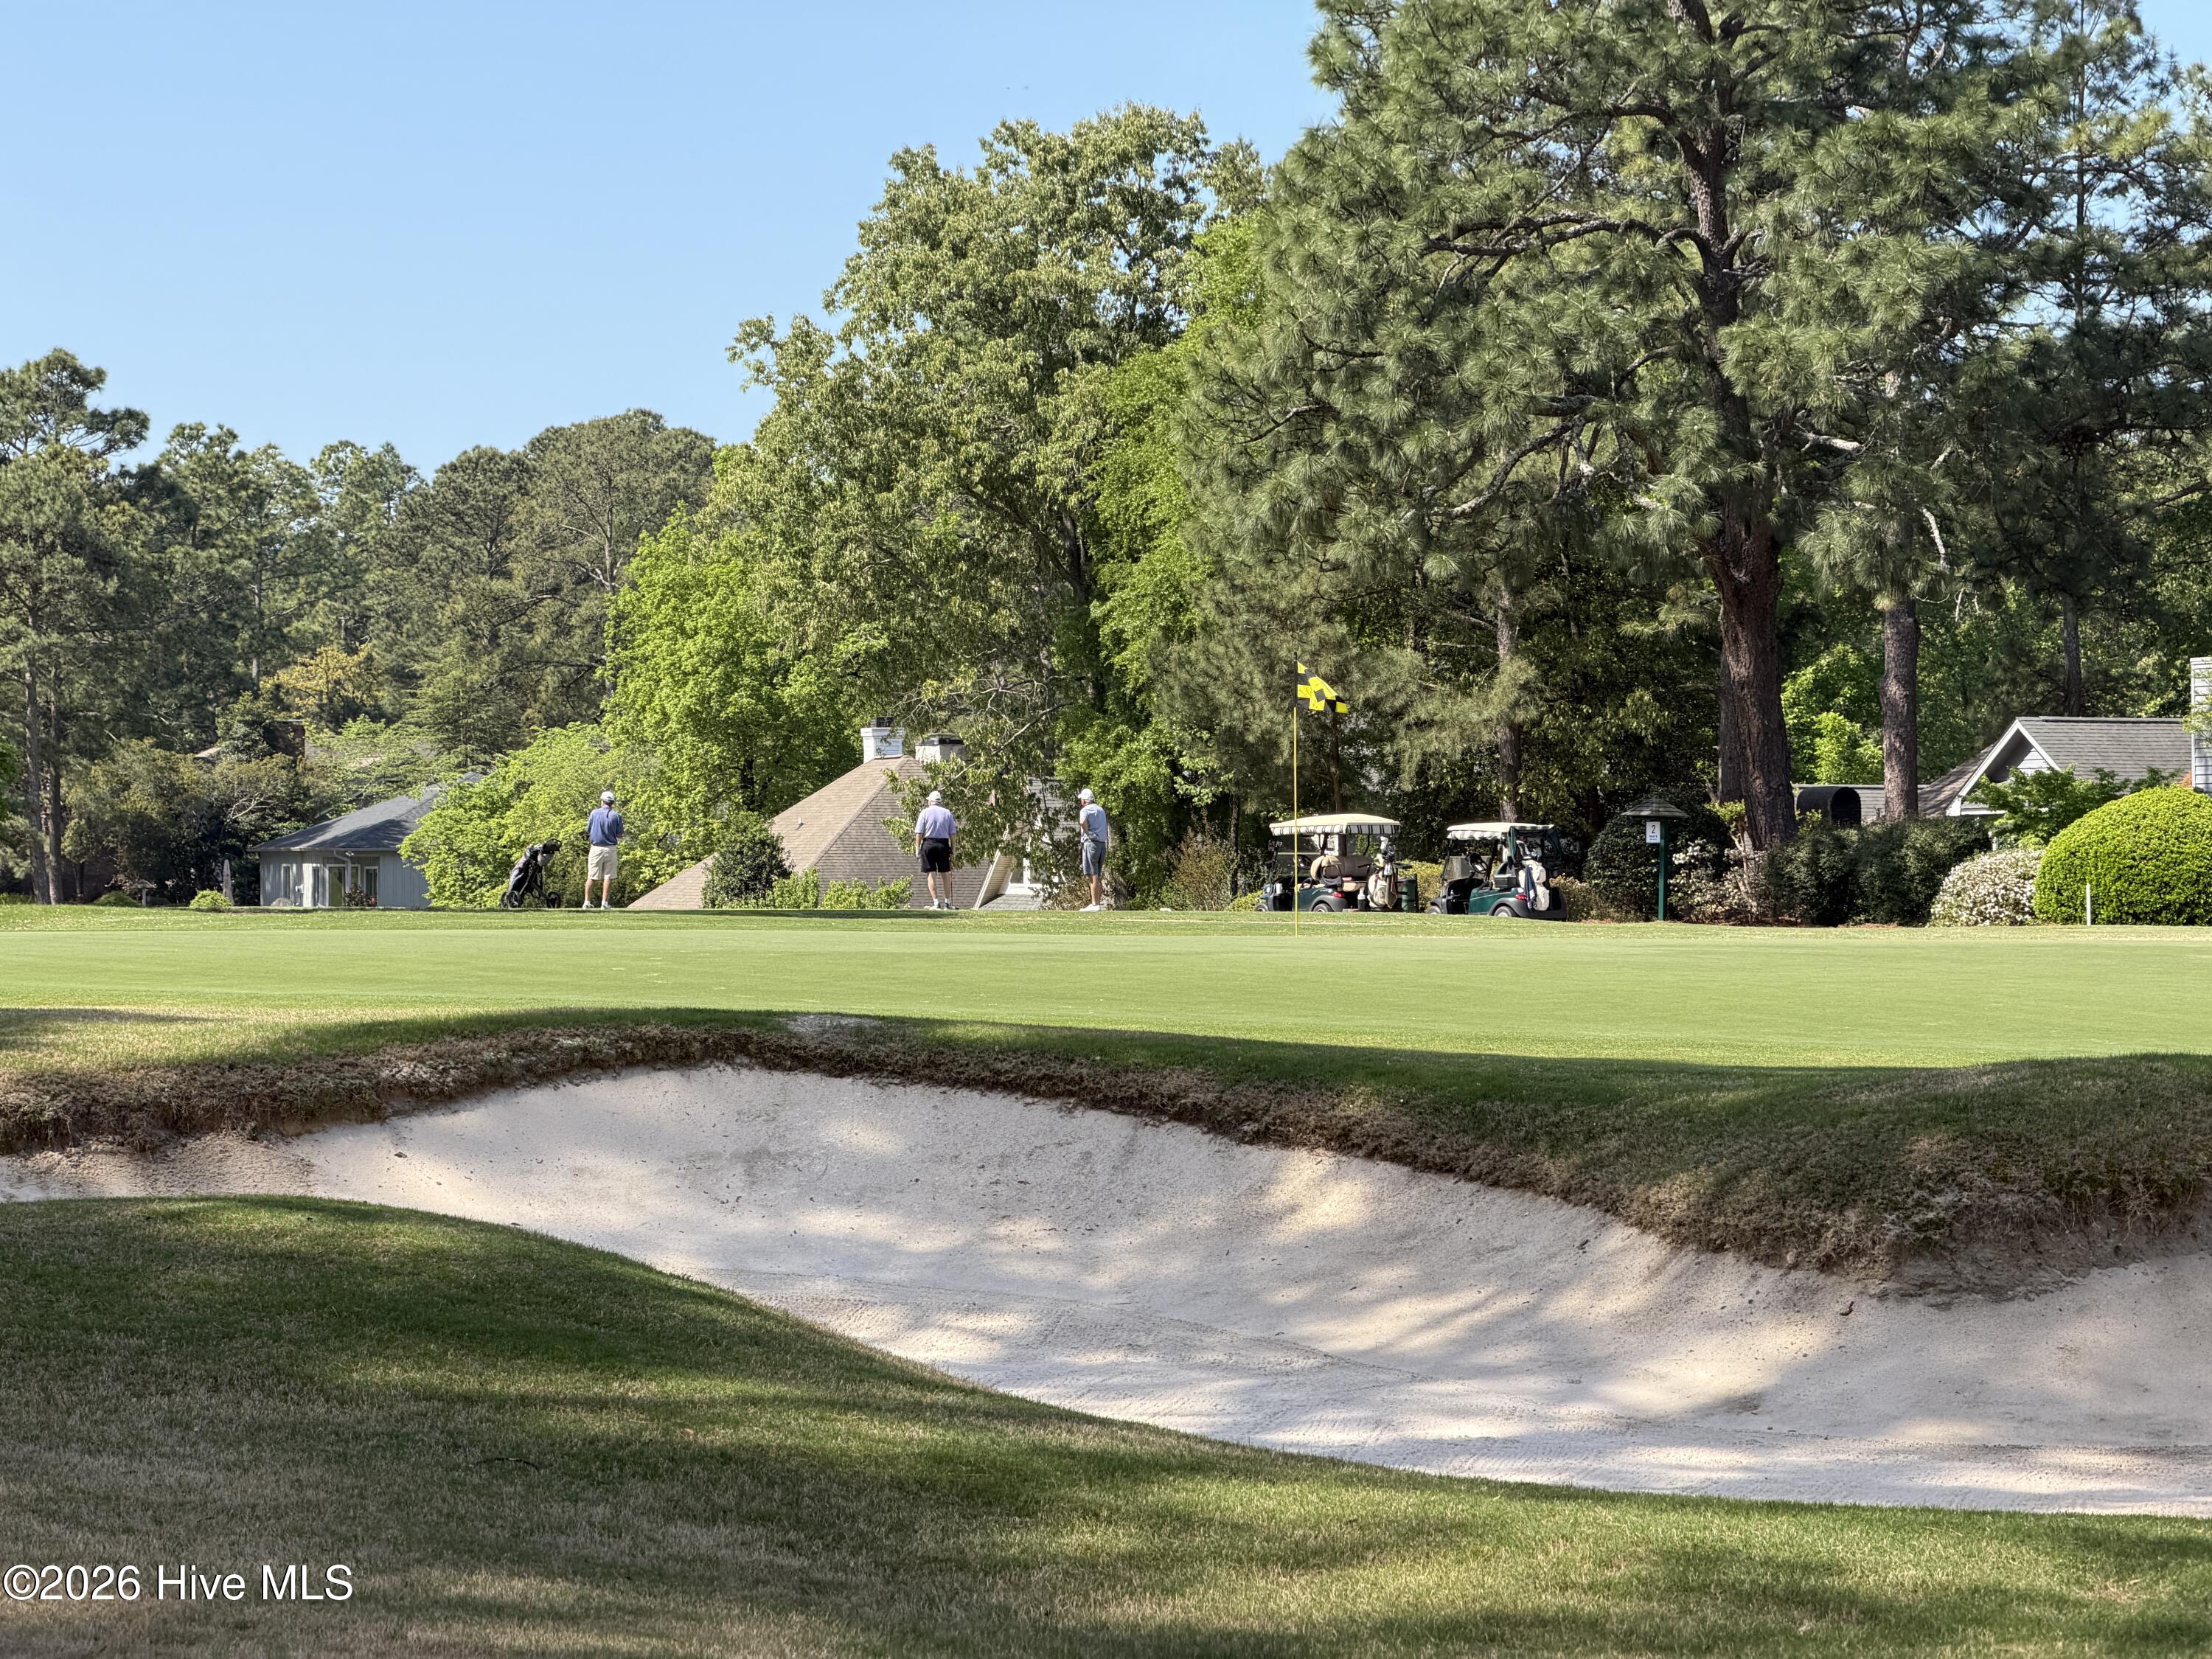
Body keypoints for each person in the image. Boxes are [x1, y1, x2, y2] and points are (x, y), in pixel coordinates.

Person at [914, 790, 957, 910]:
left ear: (930, 802)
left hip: (929, 844)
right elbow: (953, 833)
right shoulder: (947, 813)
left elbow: (919, 833)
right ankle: (948, 903)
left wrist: (917, 848)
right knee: (946, 874)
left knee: (931, 874)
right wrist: (953, 848)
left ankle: (936, 903)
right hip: (943, 845)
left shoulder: (925, 812)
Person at [583, 790, 624, 909]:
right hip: (611, 849)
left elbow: (589, 829)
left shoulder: (594, 813)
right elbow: (620, 835)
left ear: (602, 801)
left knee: (592, 876)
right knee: (608, 876)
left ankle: (586, 902)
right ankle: (604, 903)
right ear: (612, 803)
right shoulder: (616, 816)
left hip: (596, 848)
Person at [1074, 786, 1110, 911]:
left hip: (1091, 843)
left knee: (1092, 875)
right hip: (1102, 844)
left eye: (1082, 800)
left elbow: (1082, 821)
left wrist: (1087, 832)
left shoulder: (1085, 810)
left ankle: (1095, 904)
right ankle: (1097, 904)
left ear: (1085, 800)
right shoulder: (1100, 810)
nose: (1081, 802)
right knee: (1097, 875)